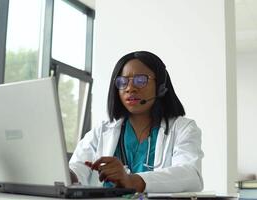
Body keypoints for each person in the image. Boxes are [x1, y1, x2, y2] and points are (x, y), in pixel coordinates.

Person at [69, 51, 203, 193]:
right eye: (122, 82)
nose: (130, 88)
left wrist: (132, 180)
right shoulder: (101, 132)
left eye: (140, 80)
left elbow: (191, 176)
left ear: (160, 87)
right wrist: (68, 175)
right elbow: (77, 169)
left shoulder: (183, 128)